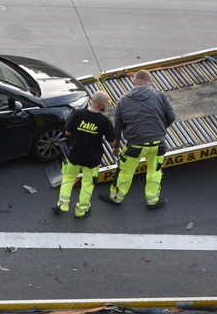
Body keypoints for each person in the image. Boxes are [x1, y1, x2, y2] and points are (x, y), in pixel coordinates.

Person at [100, 70, 176, 209]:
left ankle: (116, 198)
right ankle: (152, 201)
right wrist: (160, 129)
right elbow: (171, 117)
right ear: (148, 81)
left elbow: (118, 126)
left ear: (135, 82)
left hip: (135, 145)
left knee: (125, 171)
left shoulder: (123, 99)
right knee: (155, 171)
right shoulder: (159, 95)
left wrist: (116, 146)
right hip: (158, 144)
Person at [55, 90, 116, 218]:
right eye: (106, 103)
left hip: (75, 155)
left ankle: (62, 205)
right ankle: (81, 210)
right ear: (100, 104)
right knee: (88, 184)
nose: (107, 105)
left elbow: (68, 132)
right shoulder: (104, 121)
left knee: (68, 179)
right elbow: (112, 142)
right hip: (92, 159)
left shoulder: (78, 114)